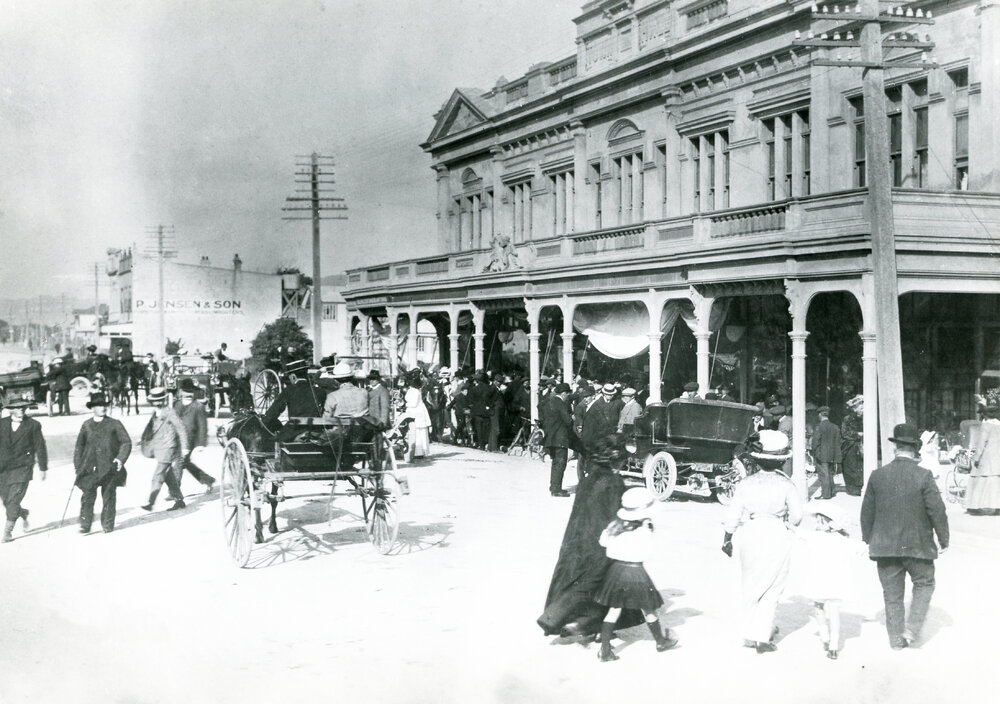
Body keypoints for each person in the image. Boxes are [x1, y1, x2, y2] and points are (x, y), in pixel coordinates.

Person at [537, 435, 643, 640]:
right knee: (605, 583)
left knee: (575, 581)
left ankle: (565, 619)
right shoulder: (614, 482)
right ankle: (587, 624)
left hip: (576, 540)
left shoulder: (588, 478)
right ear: (616, 458)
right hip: (600, 543)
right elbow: (617, 517)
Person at [861, 422, 949, 650]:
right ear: (915, 450)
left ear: (895, 448)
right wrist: (944, 538)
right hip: (918, 545)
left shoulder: (877, 475)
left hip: (885, 546)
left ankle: (895, 642)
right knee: (924, 583)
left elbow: (866, 512)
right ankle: (912, 629)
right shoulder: (924, 475)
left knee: (892, 595)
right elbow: (937, 510)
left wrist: (868, 538)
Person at [721, 429, 803, 654]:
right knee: (773, 586)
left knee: (750, 583)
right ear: (782, 460)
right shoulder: (786, 485)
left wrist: (727, 539)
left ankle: (748, 633)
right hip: (776, 531)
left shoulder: (746, 484)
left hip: (751, 532)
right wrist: (788, 523)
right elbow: (797, 515)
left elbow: (733, 515)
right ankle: (762, 637)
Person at [593, 487, 679, 661]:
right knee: (648, 608)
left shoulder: (615, 526)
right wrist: (648, 531)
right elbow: (648, 552)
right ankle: (660, 641)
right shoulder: (643, 530)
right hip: (636, 571)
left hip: (616, 571)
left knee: (614, 608)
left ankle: (604, 650)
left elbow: (603, 542)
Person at [788, 504, 859, 660]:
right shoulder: (844, 540)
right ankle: (833, 646)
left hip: (818, 581)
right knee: (834, 613)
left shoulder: (815, 537)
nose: (815, 525)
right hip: (837, 583)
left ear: (829, 524)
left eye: (819, 522)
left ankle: (825, 637)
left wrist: (786, 523)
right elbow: (860, 549)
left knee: (819, 607)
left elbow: (798, 531)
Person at [73, 393, 131, 534]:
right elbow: (79, 447)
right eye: (99, 405)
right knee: (87, 496)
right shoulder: (86, 425)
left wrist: (120, 459)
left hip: (109, 466)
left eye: (104, 405)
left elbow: (126, 442)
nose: (103, 408)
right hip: (89, 467)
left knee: (109, 495)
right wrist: (78, 465)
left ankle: (107, 524)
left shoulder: (114, 424)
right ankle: (85, 524)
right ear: (92, 408)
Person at [0, 397, 48, 543]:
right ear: (11, 409)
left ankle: (7, 531)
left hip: (23, 468)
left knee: (14, 499)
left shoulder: (33, 425)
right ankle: (23, 513)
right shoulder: (2, 424)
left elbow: (40, 446)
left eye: (23, 407)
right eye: (18, 407)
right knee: (7, 500)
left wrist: (43, 467)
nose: (21, 410)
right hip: (3, 468)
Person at [139, 387, 189, 512]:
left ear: (163, 400)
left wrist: (185, 447)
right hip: (159, 449)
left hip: (169, 447)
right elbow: (151, 429)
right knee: (168, 476)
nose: (157, 403)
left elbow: (181, 428)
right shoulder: (155, 413)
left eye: (159, 400)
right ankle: (179, 500)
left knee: (158, 474)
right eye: (154, 401)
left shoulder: (169, 412)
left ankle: (150, 502)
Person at [263, 359, 325, 438]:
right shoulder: (320, 391)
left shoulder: (289, 390)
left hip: (294, 433)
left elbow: (274, 411)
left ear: (293, 376)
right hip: (316, 432)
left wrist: (263, 422)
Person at [173, 382, 215, 493]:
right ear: (181, 392)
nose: (188, 394)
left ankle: (175, 491)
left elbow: (202, 426)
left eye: (190, 392)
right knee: (184, 463)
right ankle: (208, 480)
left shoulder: (198, 407)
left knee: (179, 462)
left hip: (190, 440)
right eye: (185, 392)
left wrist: (201, 443)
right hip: (176, 438)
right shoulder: (176, 404)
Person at [579, 383, 622, 480]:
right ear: (603, 393)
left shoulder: (618, 403)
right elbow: (593, 424)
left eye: (612, 394)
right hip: (599, 436)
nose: (610, 396)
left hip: (612, 434)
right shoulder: (597, 405)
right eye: (608, 394)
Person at [540, 382, 575, 497]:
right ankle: (556, 490)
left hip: (551, 436)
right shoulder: (561, 403)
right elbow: (567, 421)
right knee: (560, 463)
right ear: (564, 394)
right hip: (560, 437)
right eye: (567, 393)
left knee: (555, 463)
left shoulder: (549, 401)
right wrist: (572, 418)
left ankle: (553, 486)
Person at [966, 402, 1000, 515]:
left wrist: (976, 458)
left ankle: (973, 506)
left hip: (986, 459)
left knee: (979, 481)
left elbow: (981, 444)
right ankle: (997, 506)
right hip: (997, 460)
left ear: (985, 415)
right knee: (995, 483)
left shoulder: (986, 426)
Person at [811, 406, 842, 500]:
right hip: (832, 454)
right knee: (830, 473)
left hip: (821, 454)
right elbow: (838, 442)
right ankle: (831, 491)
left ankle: (826, 494)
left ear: (820, 415)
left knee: (823, 474)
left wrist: (813, 452)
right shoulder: (835, 427)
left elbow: (815, 441)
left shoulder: (819, 427)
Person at [402, 371, 432, 459]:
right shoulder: (412, 390)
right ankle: (416, 451)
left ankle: (419, 451)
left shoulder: (415, 391)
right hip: (413, 412)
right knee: (415, 432)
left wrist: (405, 404)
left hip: (416, 412)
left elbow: (414, 403)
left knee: (418, 432)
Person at [840, 413, 864, 496]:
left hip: (858, 446)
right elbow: (844, 434)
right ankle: (852, 489)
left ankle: (858, 488)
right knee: (850, 467)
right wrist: (857, 434)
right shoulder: (848, 418)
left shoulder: (863, 417)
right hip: (849, 447)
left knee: (858, 467)